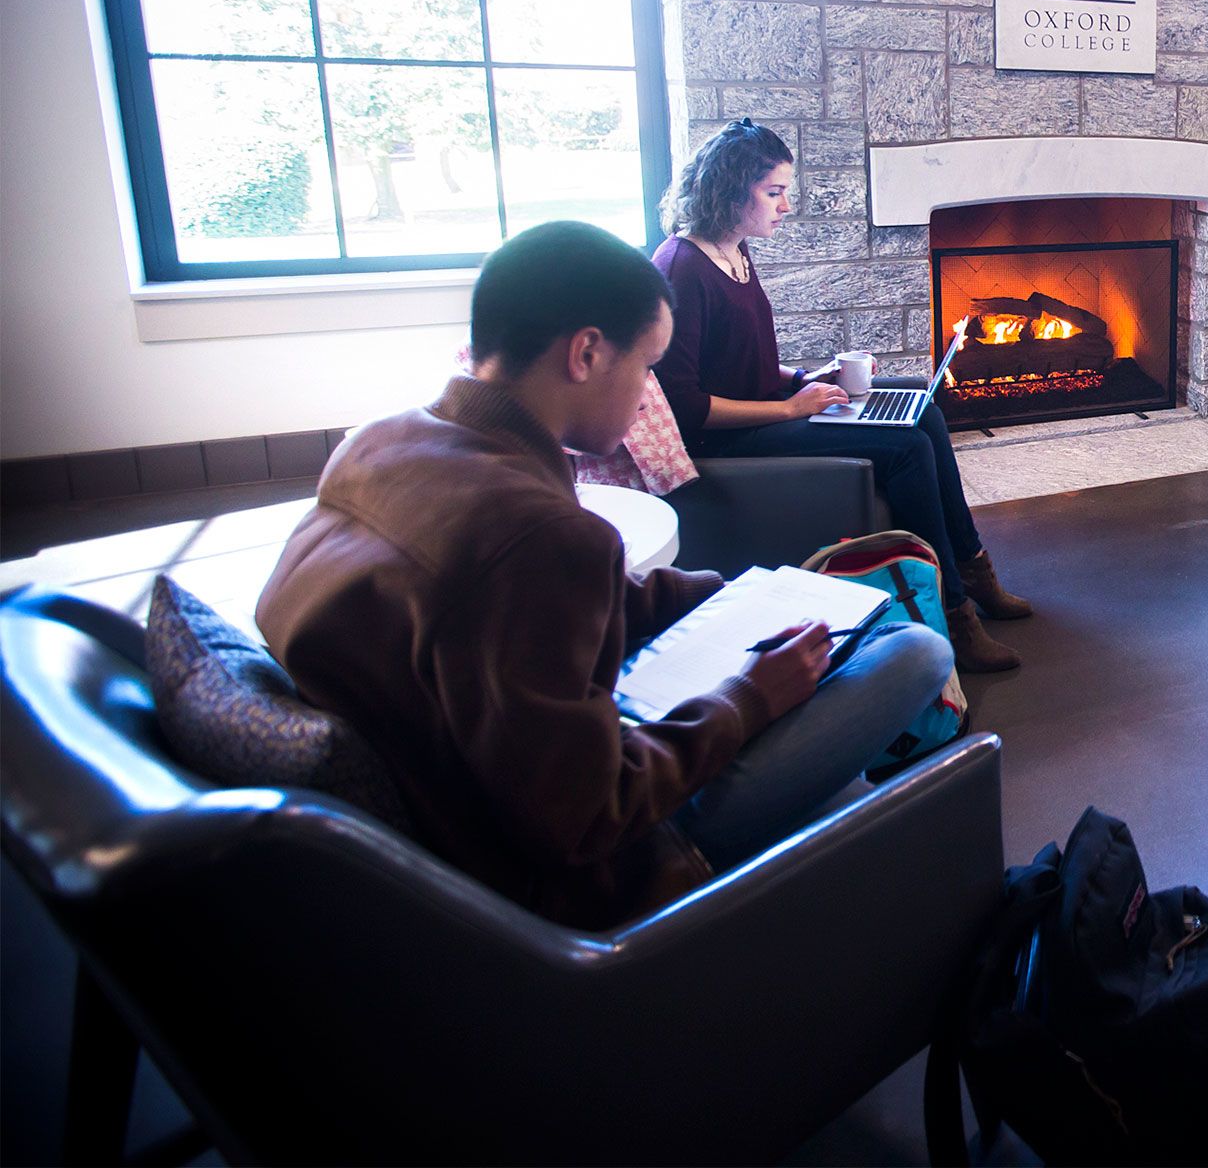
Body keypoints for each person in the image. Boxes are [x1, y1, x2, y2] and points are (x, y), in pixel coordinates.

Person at [256, 222, 952, 929]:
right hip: (577, 882)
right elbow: (589, 819)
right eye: (648, 365)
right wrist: (749, 699)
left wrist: (735, 594)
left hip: (458, 798)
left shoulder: (382, 441)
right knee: (916, 653)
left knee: (827, 638)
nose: (650, 390)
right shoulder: (537, 532)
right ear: (586, 353)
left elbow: (545, 606)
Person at [651, 120, 1030, 673]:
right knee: (905, 448)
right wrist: (790, 407)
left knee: (922, 410)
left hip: (768, 409)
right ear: (731, 190)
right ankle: (952, 615)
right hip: (730, 438)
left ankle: (974, 570)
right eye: (774, 192)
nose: (786, 205)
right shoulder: (682, 268)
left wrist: (804, 375)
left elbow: (738, 361)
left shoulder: (732, 252)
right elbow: (686, 405)